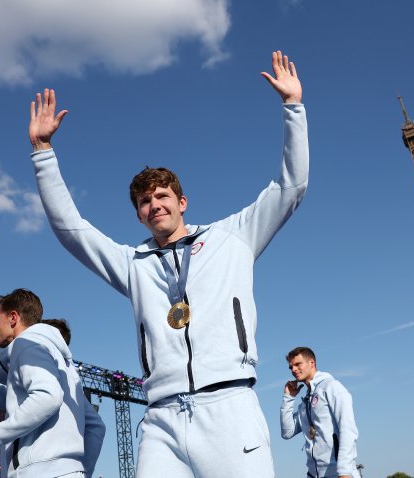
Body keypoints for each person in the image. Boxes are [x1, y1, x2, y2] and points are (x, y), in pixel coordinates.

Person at [28, 50, 307, 478]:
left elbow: (291, 186)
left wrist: (293, 107)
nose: (154, 204)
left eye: (162, 196)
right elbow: (71, 230)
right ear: (138, 214)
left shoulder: (232, 237)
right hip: (161, 417)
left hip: (228, 408)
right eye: (144, 201)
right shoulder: (133, 263)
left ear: (182, 202)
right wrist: (43, 151)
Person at [0, 289, 105, 477]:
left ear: (13, 317)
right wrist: (80, 471)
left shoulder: (27, 342)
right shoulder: (66, 373)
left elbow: (47, 397)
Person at [280, 347, 359, 478]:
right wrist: (288, 398)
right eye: (291, 367)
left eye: (298, 364)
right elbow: (287, 432)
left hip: (339, 474)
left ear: (312, 363)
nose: (293, 369)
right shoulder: (304, 403)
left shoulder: (332, 387)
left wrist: (344, 471)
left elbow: (348, 430)